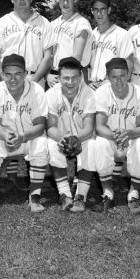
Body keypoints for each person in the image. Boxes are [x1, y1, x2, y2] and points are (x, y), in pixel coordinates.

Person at [76, 58, 140, 214]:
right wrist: (115, 136)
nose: (119, 80)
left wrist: (129, 134)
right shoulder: (102, 92)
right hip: (110, 137)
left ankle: (134, 194)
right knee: (100, 143)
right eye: (114, 77)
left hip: (132, 137)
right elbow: (100, 126)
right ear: (108, 77)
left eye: (122, 75)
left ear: (129, 74)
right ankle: (108, 192)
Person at [0, 54, 49, 213]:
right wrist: (5, 135)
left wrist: (23, 136)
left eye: (18, 74)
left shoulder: (37, 90)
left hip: (28, 137)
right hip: (6, 138)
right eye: (8, 74)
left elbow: (40, 126)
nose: (13, 79)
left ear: (25, 74)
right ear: (2, 74)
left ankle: (35, 196)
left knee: (41, 143)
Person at [45, 57, 96, 211]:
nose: (70, 82)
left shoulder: (89, 94)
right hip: (61, 135)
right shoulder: (51, 94)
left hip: (82, 136)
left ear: (81, 77)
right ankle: (65, 195)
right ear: (59, 78)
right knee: (51, 144)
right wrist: (62, 139)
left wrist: (76, 138)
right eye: (66, 78)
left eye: (74, 77)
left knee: (92, 145)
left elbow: (89, 127)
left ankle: (81, 196)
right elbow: (51, 127)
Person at [0, 0, 53, 86]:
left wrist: (33, 82)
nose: (22, 0)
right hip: (6, 80)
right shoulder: (1, 23)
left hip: (34, 79)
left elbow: (48, 56)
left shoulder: (44, 23)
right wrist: (3, 78)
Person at [47, 0, 92, 88]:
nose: (65, 3)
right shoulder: (52, 24)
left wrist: (63, 77)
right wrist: (47, 75)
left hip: (72, 77)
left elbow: (77, 56)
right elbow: (47, 55)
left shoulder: (81, 23)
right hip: (53, 78)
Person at [87, 0, 133, 90]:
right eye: (96, 9)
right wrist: (88, 82)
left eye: (102, 9)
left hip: (113, 87)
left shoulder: (122, 34)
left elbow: (129, 64)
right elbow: (85, 64)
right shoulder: (91, 35)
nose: (99, 13)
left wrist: (111, 82)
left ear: (109, 10)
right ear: (92, 11)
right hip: (92, 87)